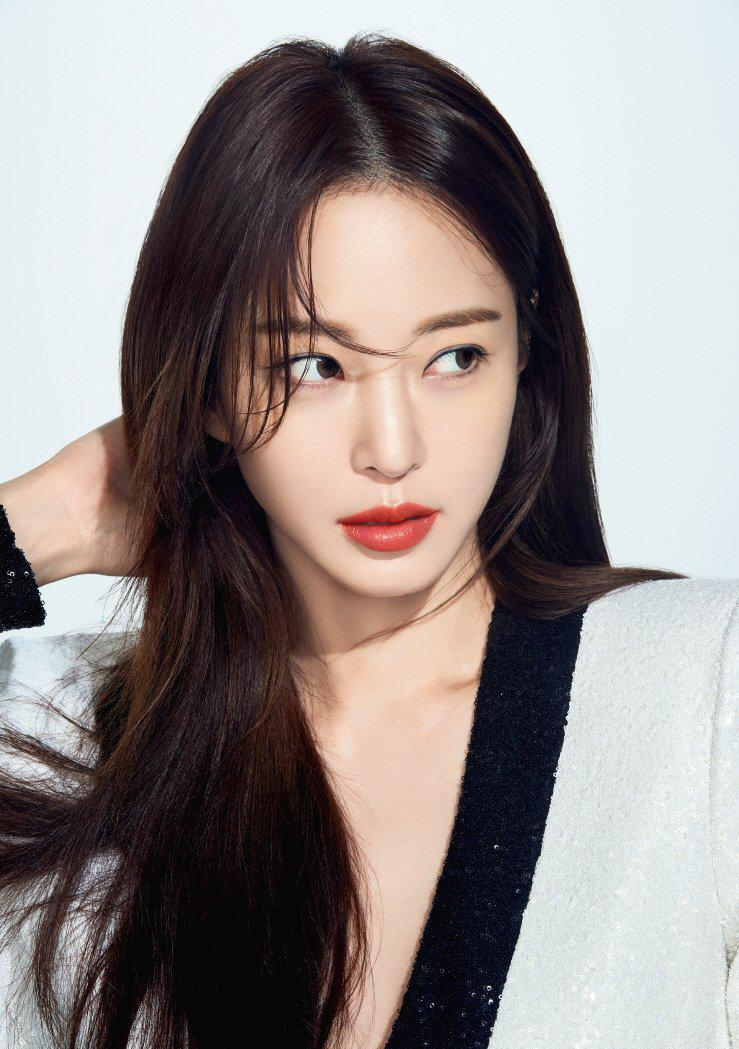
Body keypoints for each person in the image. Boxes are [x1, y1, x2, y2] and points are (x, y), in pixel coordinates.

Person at [0, 30, 736, 1049]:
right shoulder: (51, 737)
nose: (392, 449)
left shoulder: (700, 691)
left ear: (527, 352)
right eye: (314, 366)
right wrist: (40, 523)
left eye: (455, 355)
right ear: (206, 385)